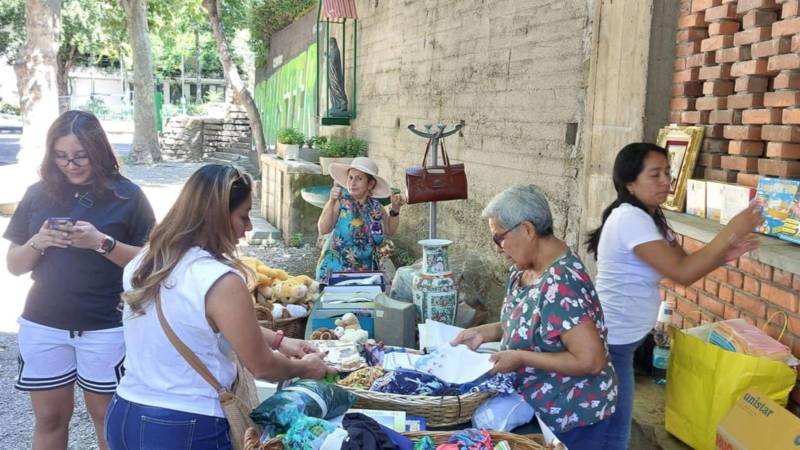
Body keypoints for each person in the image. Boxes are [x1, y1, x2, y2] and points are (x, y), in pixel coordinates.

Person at [106, 164, 332, 449]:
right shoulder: (220, 280)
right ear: (217, 217)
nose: (248, 226)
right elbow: (262, 366)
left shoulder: (146, 262)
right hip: (184, 425)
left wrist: (279, 340)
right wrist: (306, 369)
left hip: (125, 412)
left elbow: (196, 322)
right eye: (243, 216)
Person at [585, 142, 763, 450]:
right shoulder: (629, 218)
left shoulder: (651, 216)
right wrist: (732, 228)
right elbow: (682, 272)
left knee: (615, 429)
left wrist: (724, 253)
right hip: (610, 343)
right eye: (655, 174)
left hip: (622, 342)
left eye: (668, 172)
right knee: (612, 434)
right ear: (629, 182)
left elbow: (686, 266)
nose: (666, 182)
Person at [4, 110, 155, 450]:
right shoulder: (37, 193)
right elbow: (14, 265)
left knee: (107, 418)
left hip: (106, 325)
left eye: (80, 156)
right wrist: (38, 241)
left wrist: (102, 243)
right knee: (50, 419)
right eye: (61, 156)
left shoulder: (128, 196)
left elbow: (153, 263)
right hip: (44, 324)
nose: (70, 165)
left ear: (98, 151)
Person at [451, 185, 617, 450]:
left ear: (527, 230)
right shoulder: (524, 270)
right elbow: (527, 323)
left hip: (571, 414)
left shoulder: (563, 283)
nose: (497, 249)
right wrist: (483, 333)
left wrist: (521, 357)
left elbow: (591, 360)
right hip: (536, 406)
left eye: (499, 239)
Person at [315, 156, 405, 283]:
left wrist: (395, 209)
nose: (352, 182)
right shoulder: (340, 203)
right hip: (335, 273)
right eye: (350, 178)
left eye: (359, 178)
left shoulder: (376, 207)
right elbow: (323, 229)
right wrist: (331, 201)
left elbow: (390, 230)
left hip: (365, 274)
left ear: (370, 184)